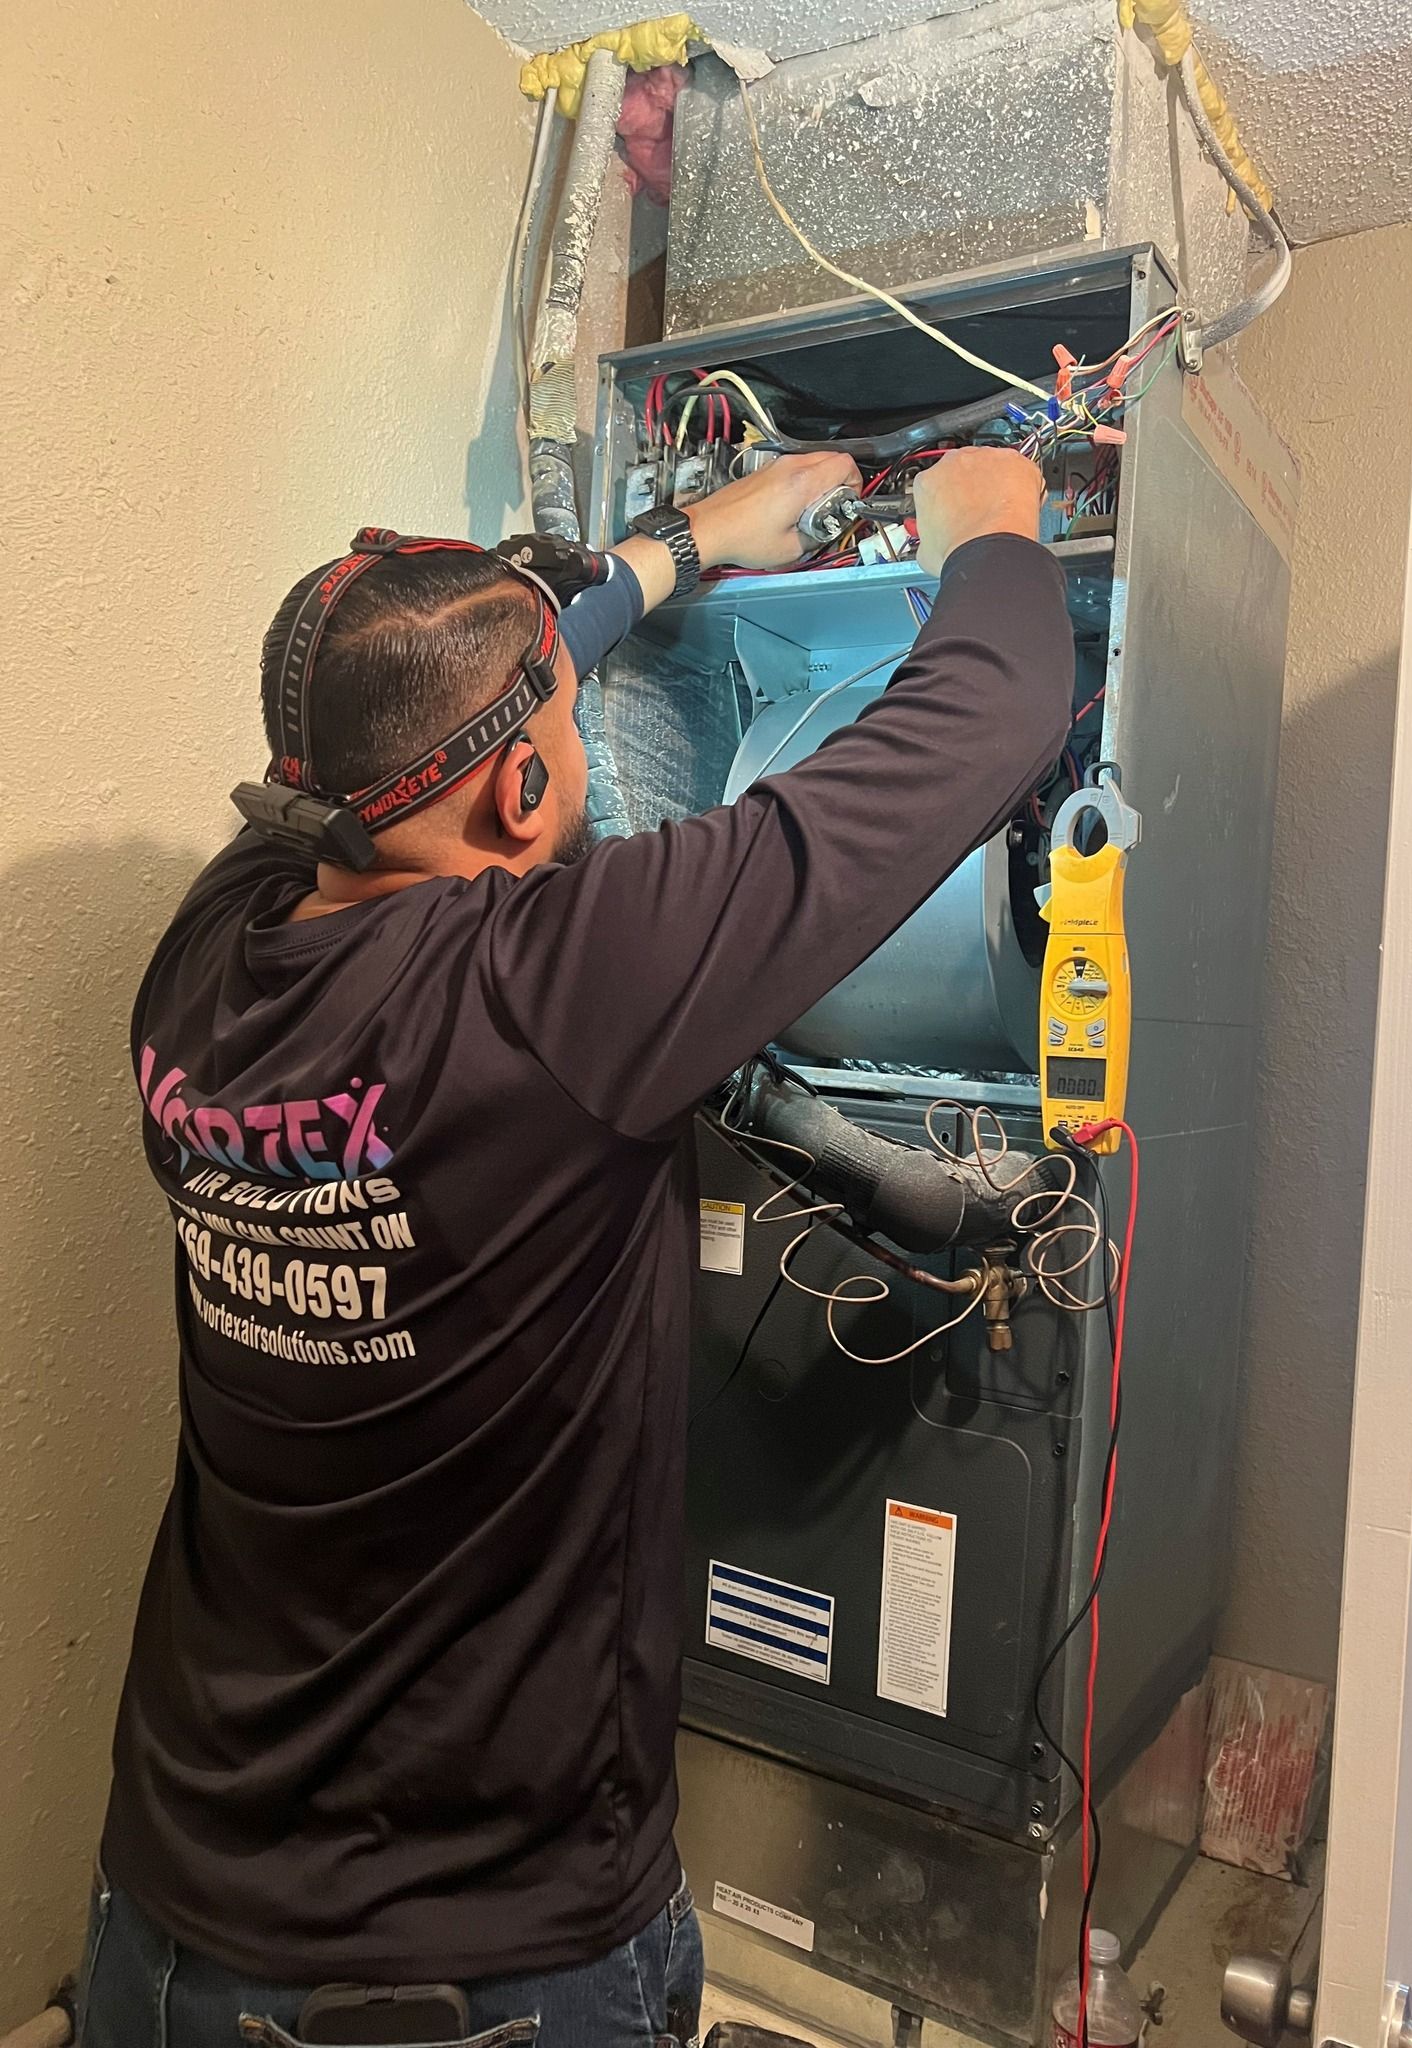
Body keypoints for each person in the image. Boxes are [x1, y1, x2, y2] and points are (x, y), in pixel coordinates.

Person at [80, 446, 1073, 2047]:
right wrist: (992, 530)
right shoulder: (554, 994)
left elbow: (457, 692)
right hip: (492, 1966)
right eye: (558, 736)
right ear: (526, 789)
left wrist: (681, 544)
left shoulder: (208, 954)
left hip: (177, 1911)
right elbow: (993, 709)